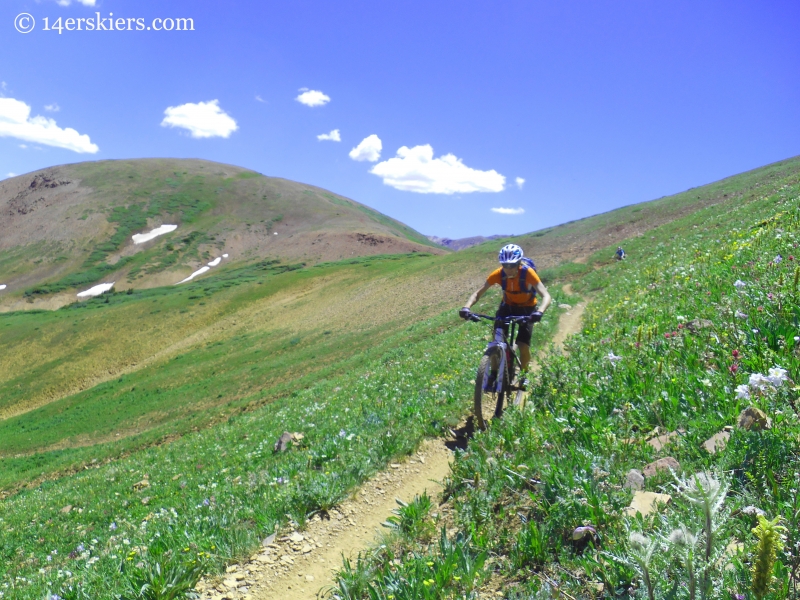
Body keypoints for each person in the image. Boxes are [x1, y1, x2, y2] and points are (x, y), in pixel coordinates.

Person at [459, 243, 551, 373]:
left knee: (523, 345)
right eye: (505, 265)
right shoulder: (498, 274)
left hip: (527, 309)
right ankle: (494, 374)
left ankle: (524, 376)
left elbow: (546, 296)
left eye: (512, 265)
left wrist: (540, 312)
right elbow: (477, 293)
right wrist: (466, 307)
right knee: (497, 340)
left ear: (519, 263)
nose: (508, 269)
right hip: (507, 307)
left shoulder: (528, 273)